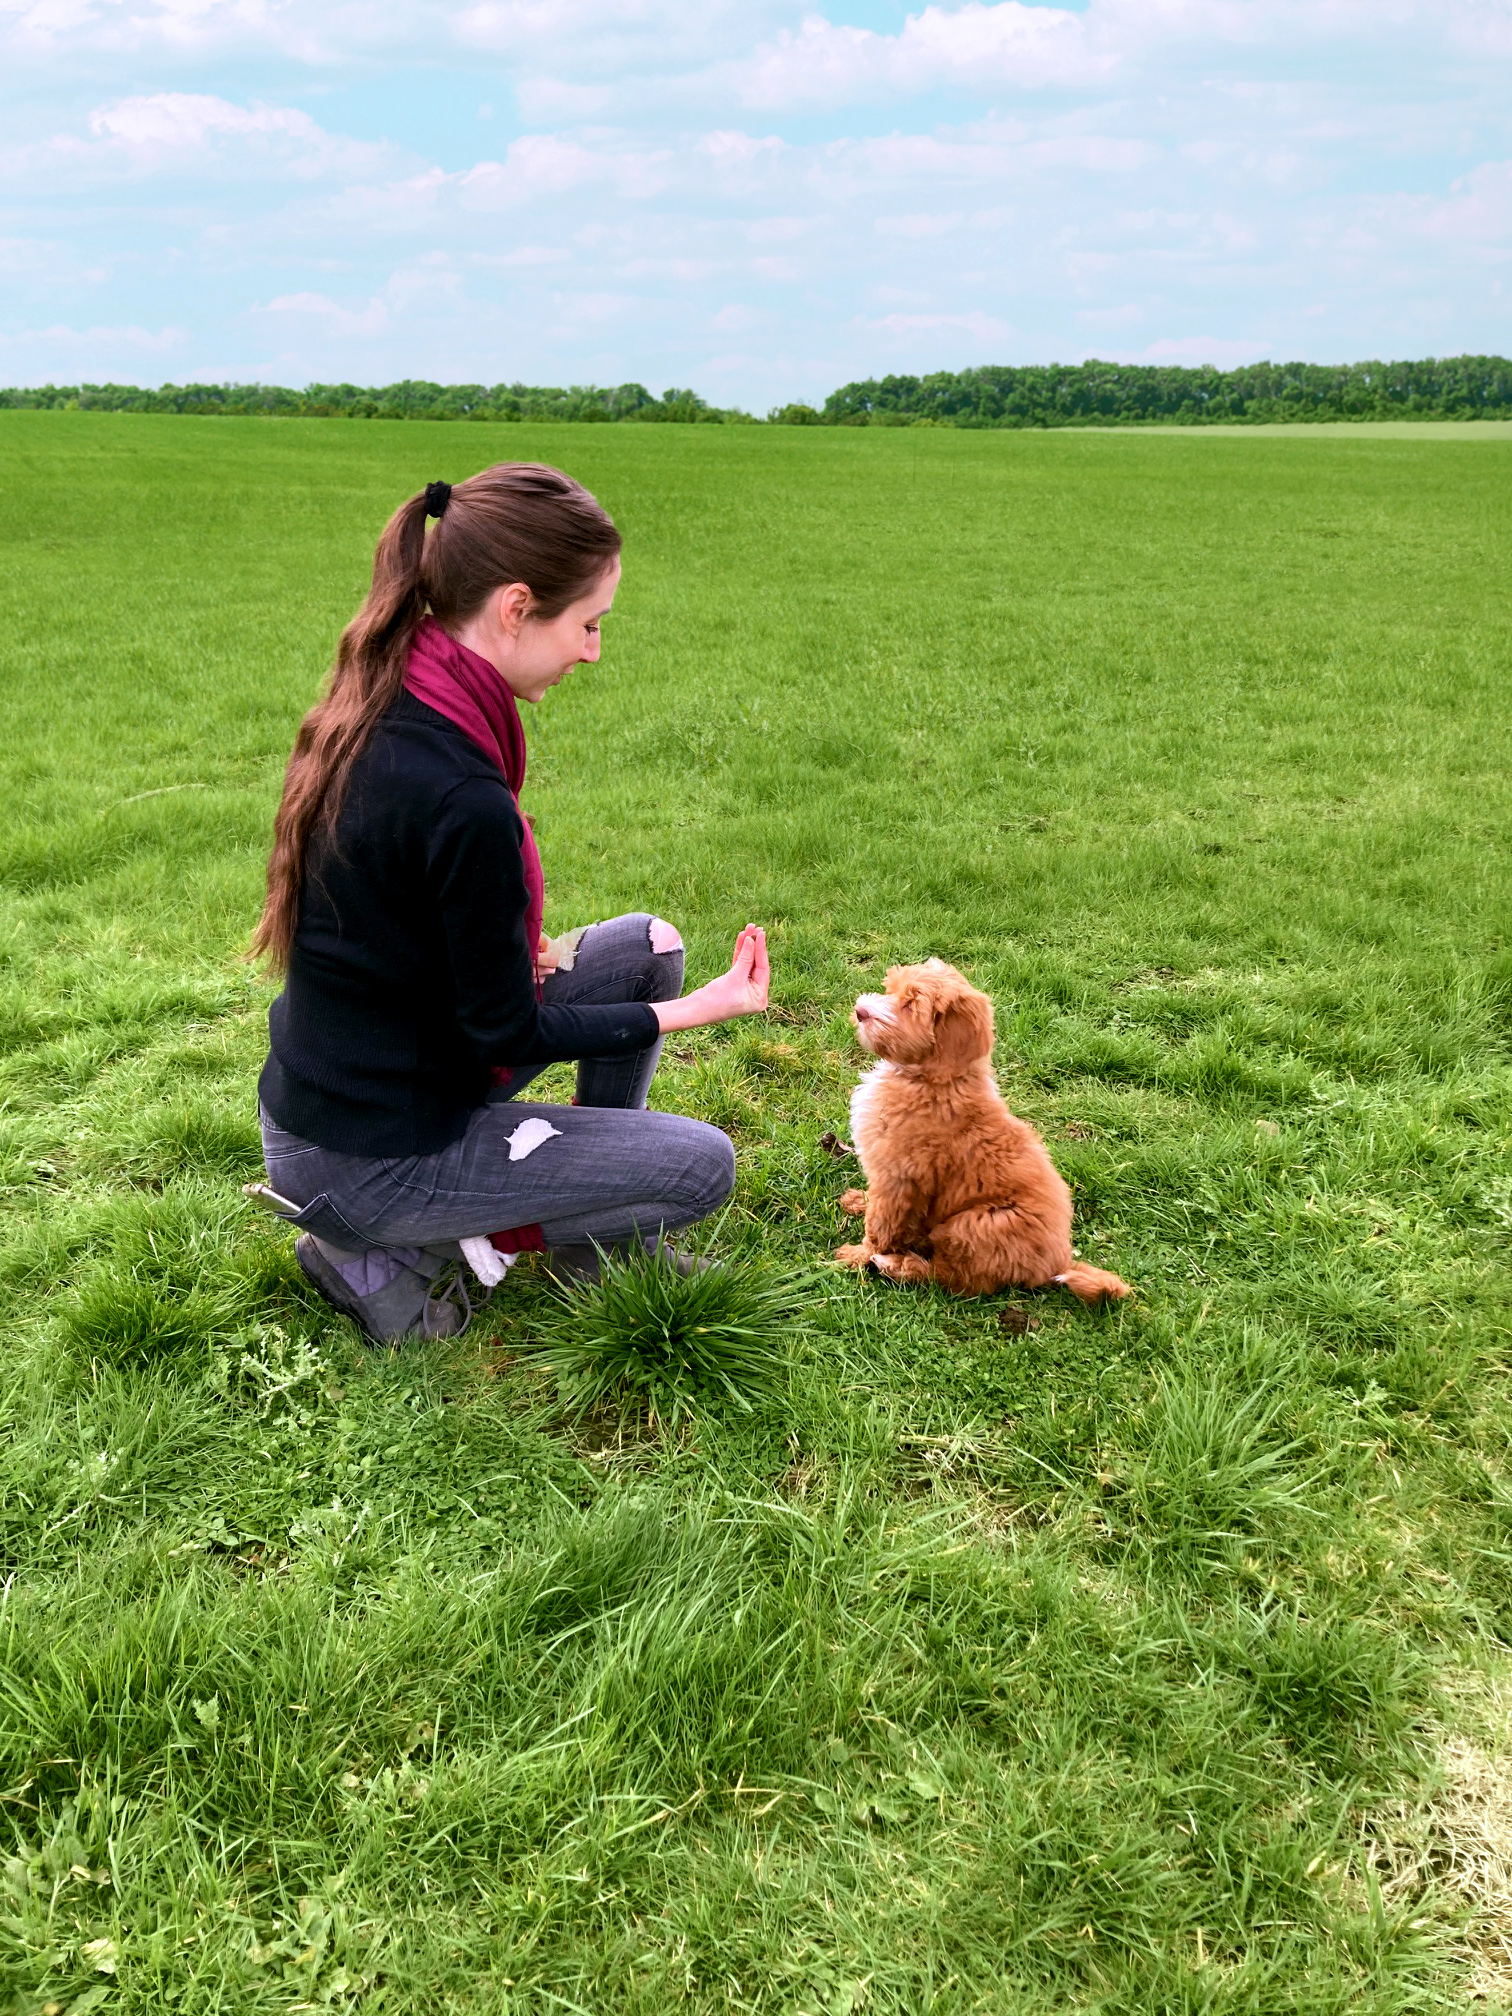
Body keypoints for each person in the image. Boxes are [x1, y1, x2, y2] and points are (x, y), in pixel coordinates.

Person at [252, 463, 769, 1342]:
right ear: (515, 606)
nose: (594, 650)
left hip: (363, 1079)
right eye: (588, 623)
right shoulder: (458, 791)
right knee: (699, 1169)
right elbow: (506, 1033)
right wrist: (696, 1011)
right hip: (369, 1151)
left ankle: (590, 1240)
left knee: (647, 946)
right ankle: (378, 1251)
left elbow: (399, 932)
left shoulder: (399, 690)